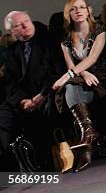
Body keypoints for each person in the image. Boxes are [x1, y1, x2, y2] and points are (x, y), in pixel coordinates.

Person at [51, 0, 106, 172]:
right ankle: (88, 134)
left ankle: (87, 146)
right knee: (71, 87)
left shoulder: (99, 30)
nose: (78, 11)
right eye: (73, 9)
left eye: (82, 7)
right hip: (82, 76)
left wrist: (67, 76)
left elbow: (92, 58)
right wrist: (81, 73)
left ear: (88, 11)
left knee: (68, 85)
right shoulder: (65, 38)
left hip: (103, 75)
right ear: (68, 14)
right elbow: (71, 66)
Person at [0, 11, 59, 171]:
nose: (25, 26)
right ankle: (13, 164)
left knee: (44, 115)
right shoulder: (10, 53)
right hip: (24, 100)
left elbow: (56, 71)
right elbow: (10, 84)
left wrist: (40, 96)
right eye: (19, 25)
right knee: (3, 115)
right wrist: (23, 101)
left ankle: (43, 162)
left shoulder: (49, 42)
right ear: (12, 31)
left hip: (48, 92)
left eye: (27, 21)